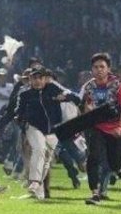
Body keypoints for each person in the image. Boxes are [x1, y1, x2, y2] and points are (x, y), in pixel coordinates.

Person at [15, 66, 80, 199]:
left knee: (46, 160)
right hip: (33, 127)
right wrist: (22, 124)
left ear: (45, 79)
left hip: (53, 129)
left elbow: (76, 98)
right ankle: (34, 181)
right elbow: (18, 112)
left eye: (40, 78)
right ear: (30, 79)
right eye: (34, 78)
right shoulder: (25, 94)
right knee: (39, 149)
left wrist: (65, 97)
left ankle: (39, 192)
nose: (37, 81)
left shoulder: (53, 88)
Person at [80, 53, 121, 205]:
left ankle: (119, 168)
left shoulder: (117, 85)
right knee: (93, 156)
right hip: (96, 127)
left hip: (115, 127)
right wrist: (87, 110)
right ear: (92, 70)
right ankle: (95, 192)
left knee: (113, 160)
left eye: (102, 67)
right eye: (95, 67)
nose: (99, 70)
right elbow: (84, 107)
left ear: (108, 68)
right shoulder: (88, 87)